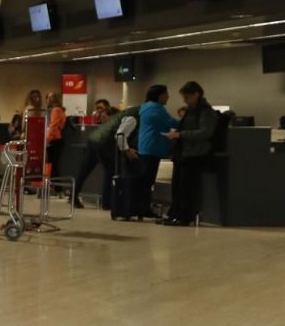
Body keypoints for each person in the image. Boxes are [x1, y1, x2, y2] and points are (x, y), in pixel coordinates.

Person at [162, 80, 219, 226]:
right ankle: (175, 213)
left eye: (187, 97)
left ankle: (185, 216)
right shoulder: (191, 111)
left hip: (195, 154)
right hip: (183, 153)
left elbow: (205, 132)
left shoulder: (206, 111)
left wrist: (181, 135)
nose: (185, 100)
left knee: (188, 187)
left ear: (196, 94)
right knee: (178, 186)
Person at [134, 84, 178, 219]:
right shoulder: (157, 109)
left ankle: (141, 208)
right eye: (166, 94)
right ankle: (144, 209)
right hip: (152, 148)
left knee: (145, 180)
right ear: (159, 96)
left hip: (145, 147)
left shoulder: (145, 107)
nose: (168, 97)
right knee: (147, 181)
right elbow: (173, 123)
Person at [73, 103, 126, 208]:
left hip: (94, 143)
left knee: (84, 171)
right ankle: (107, 202)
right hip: (103, 145)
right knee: (109, 171)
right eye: (102, 117)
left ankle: (74, 196)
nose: (102, 120)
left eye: (104, 117)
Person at [44, 91, 66, 177]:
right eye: (48, 97)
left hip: (54, 139)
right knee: (53, 163)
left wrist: (48, 139)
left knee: (52, 163)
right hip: (55, 138)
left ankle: (54, 184)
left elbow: (53, 126)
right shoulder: (55, 110)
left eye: (51, 97)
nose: (49, 99)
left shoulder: (56, 110)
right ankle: (54, 184)